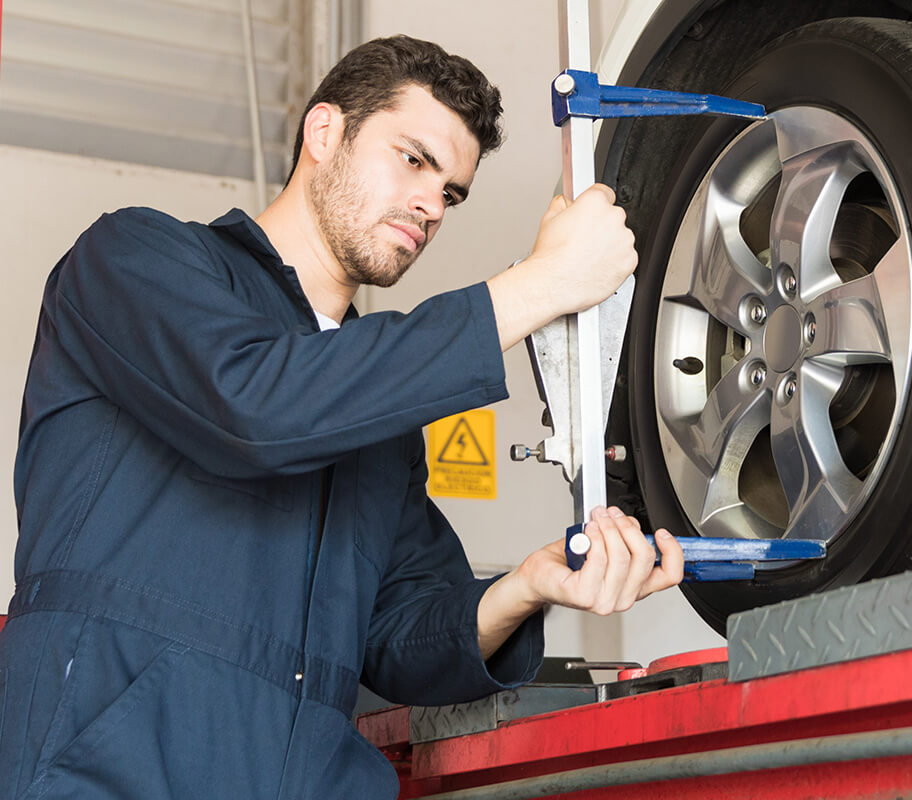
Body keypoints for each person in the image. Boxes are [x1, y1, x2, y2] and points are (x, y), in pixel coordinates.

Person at [0, 34, 684, 798]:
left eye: (452, 192)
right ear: (323, 132)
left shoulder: (380, 413)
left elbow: (400, 637)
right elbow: (256, 408)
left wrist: (526, 588)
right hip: (109, 774)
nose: (432, 205)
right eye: (415, 160)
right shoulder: (135, 260)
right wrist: (539, 286)